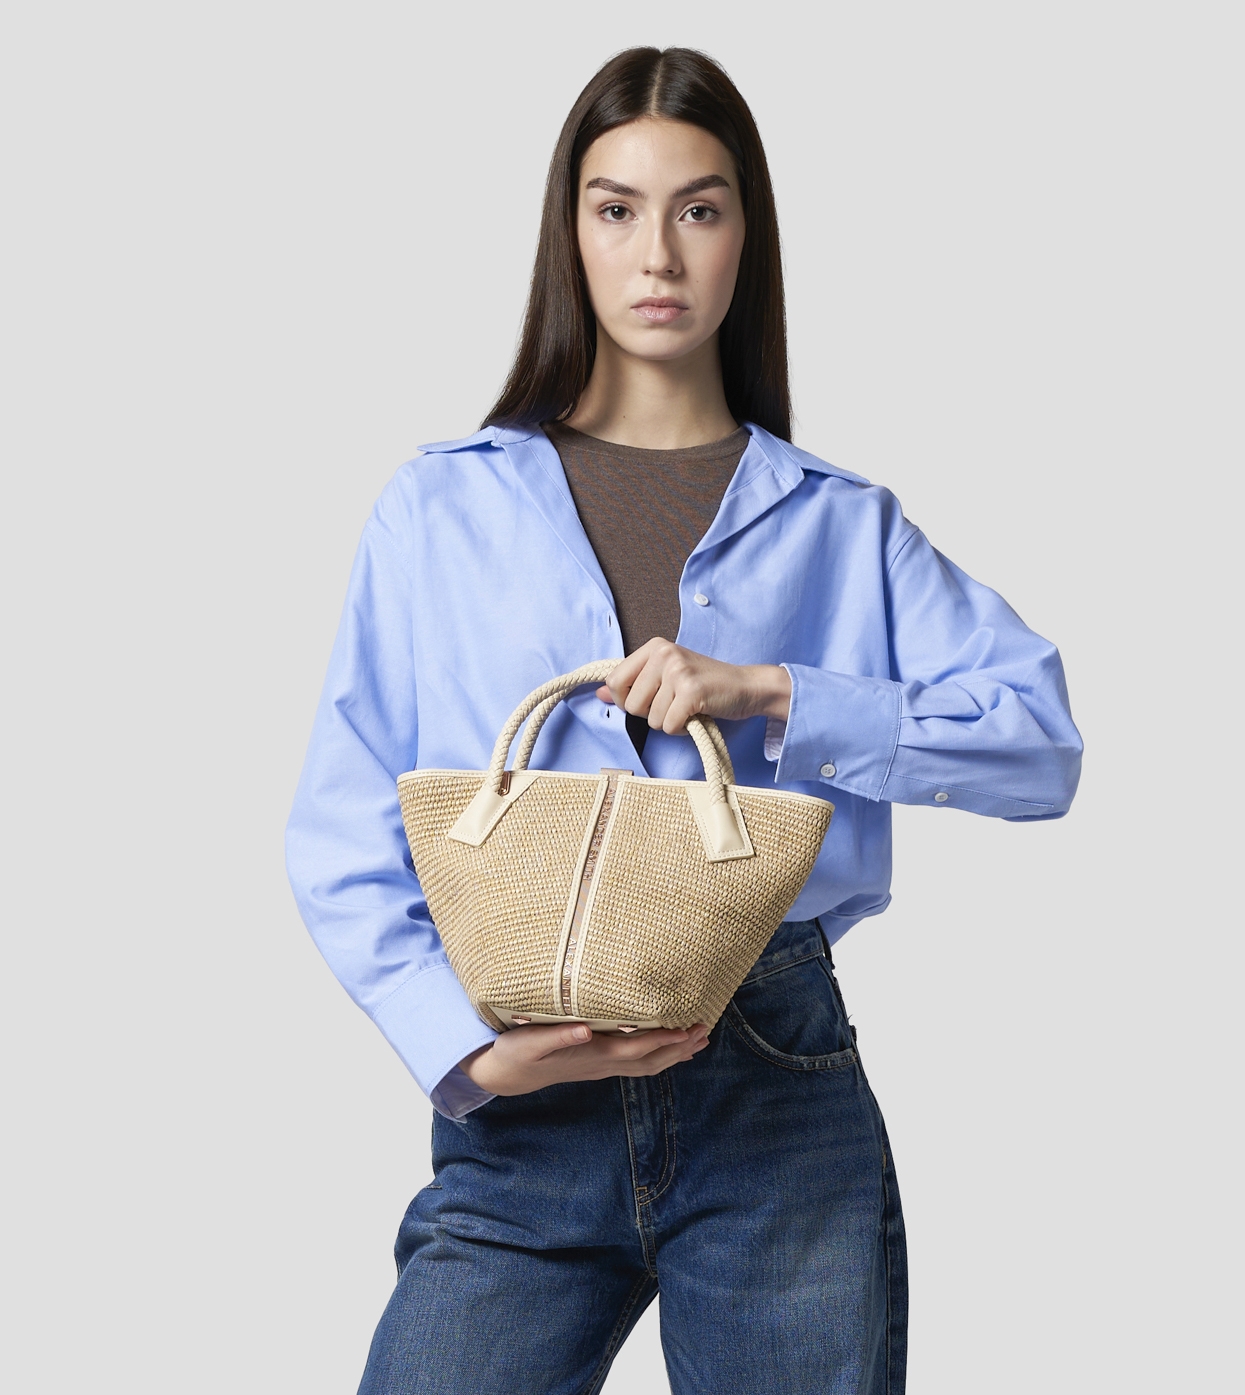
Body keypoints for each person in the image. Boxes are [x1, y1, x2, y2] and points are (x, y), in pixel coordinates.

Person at [286, 46, 1082, 1395]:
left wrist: (774, 693)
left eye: (698, 210)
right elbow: (342, 819)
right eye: (617, 209)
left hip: (773, 1086)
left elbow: (1038, 745)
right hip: (520, 1112)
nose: (658, 253)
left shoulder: (842, 524)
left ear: (744, 238)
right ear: (571, 235)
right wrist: (465, 1049)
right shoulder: (440, 506)